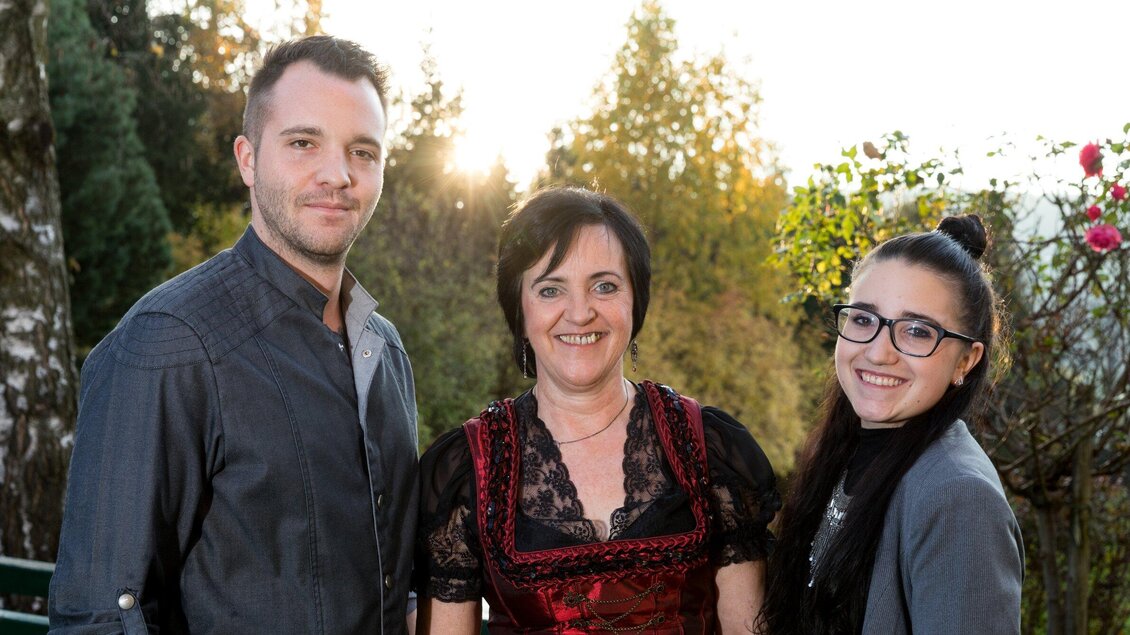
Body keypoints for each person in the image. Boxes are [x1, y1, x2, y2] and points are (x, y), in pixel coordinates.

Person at [49, 36, 419, 634]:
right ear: (248, 159)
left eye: (363, 151)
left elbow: (385, 591)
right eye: (303, 143)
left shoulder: (387, 353)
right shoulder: (168, 345)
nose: (338, 174)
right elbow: (99, 618)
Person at [413, 186, 779, 633]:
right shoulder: (468, 469)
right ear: (520, 311)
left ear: (634, 300)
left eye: (604, 286)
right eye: (551, 290)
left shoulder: (710, 447)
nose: (580, 312)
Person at [761, 216, 1024, 634]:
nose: (879, 353)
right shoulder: (846, 453)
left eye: (918, 331)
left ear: (966, 361)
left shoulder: (958, 498)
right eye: (863, 320)